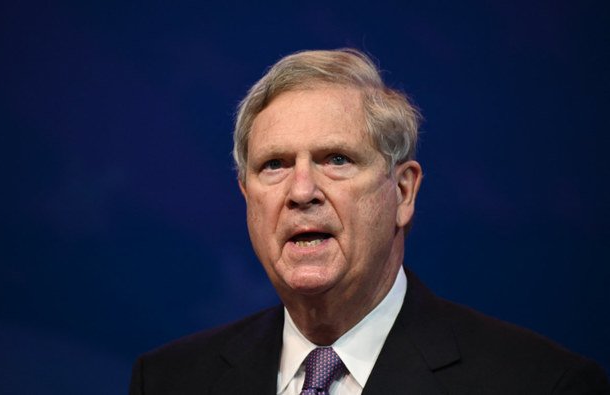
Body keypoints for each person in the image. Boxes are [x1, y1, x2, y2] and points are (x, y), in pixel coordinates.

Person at [129, 48, 609, 394]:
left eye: (336, 159)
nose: (300, 192)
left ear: (403, 192)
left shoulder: (541, 383)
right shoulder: (170, 380)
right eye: (273, 165)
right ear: (247, 197)